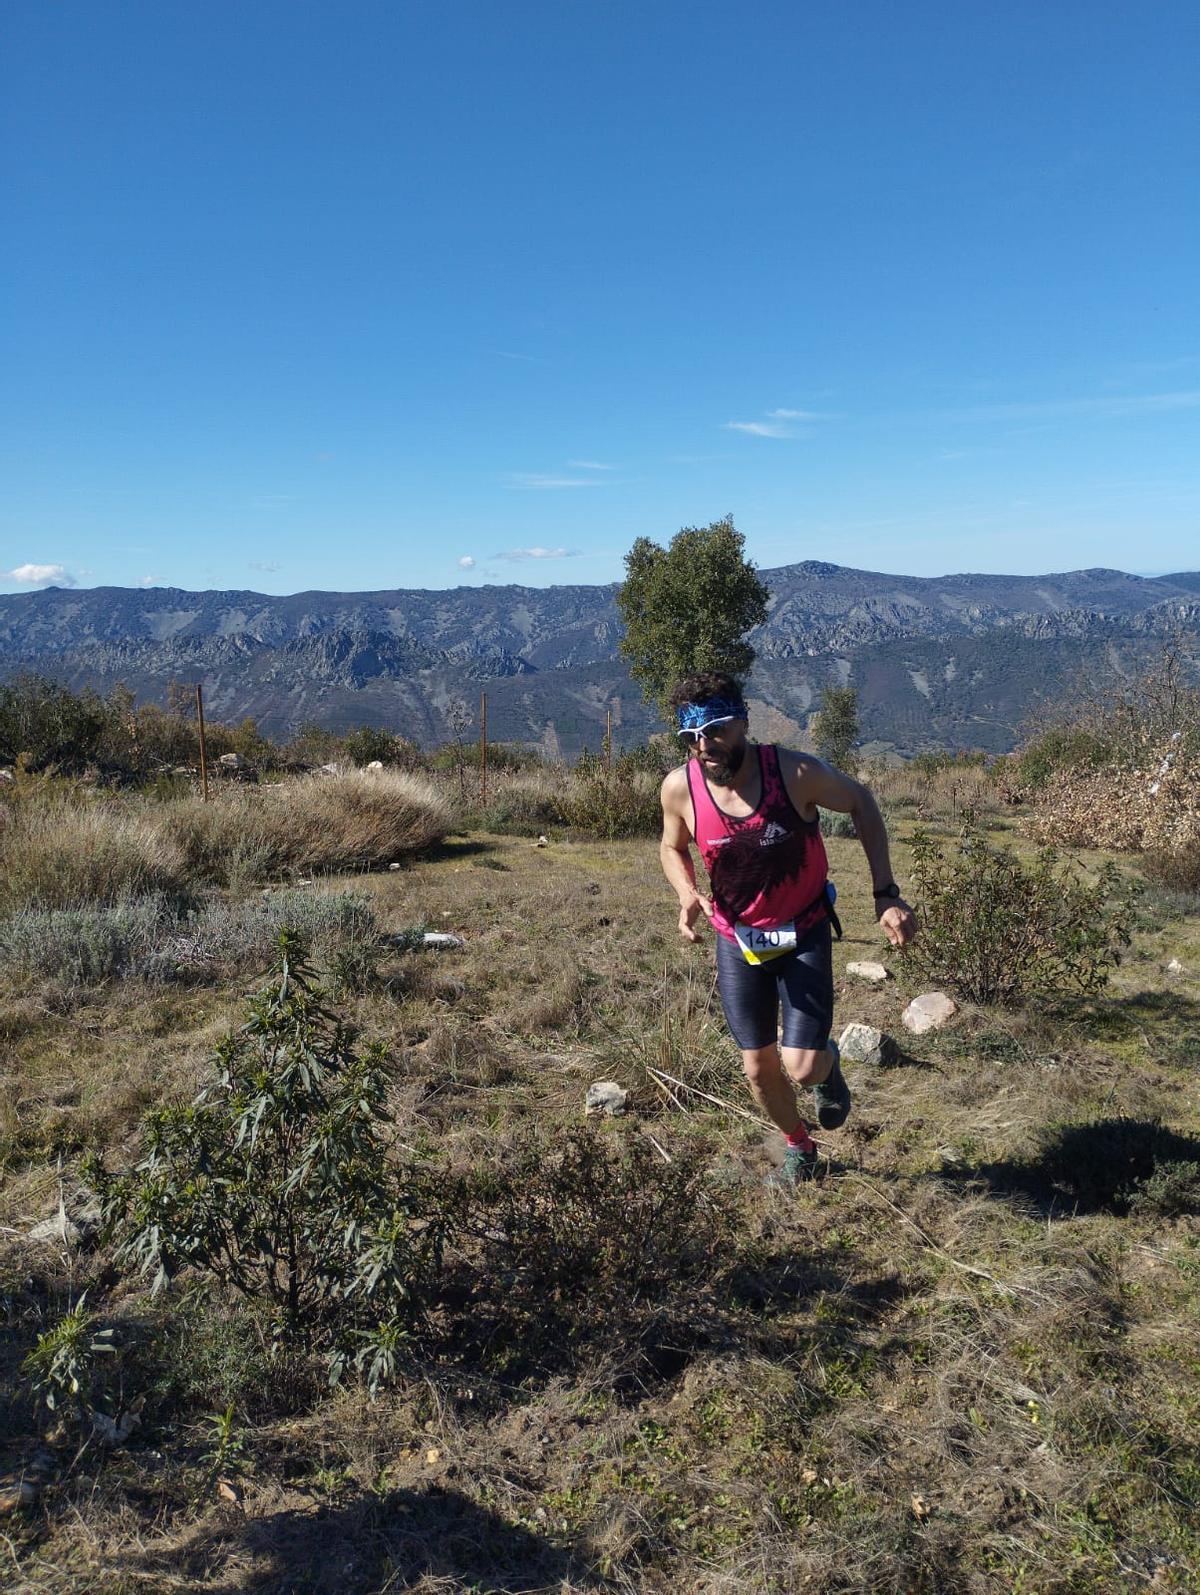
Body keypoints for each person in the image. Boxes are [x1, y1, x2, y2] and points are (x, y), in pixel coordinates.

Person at [659, 671, 918, 1185]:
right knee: (758, 1069)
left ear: (743, 723)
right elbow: (672, 846)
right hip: (737, 940)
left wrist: (885, 893)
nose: (705, 747)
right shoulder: (679, 787)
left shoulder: (793, 773)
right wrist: (687, 893)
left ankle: (828, 1064)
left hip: (803, 932)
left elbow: (861, 801)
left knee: (801, 1066)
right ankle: (800, 1146)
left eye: (716, 731)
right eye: (692, 737)